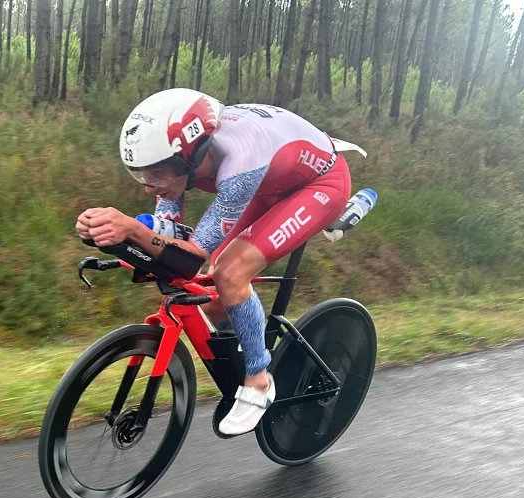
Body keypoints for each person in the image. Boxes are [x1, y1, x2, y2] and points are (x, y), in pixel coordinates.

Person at [75, 88, 358, 436]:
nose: (150, 187)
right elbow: (171, 233)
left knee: (230, 272)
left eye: (158, 173)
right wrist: (117, 239)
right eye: (142, 174)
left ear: (192, 158)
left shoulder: (238, 163)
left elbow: (189, 256)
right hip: (273, 179)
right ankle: (244, 343)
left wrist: (132, 229)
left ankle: (258, 380)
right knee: (214, 293)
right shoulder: (185, 161)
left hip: (320, 184)